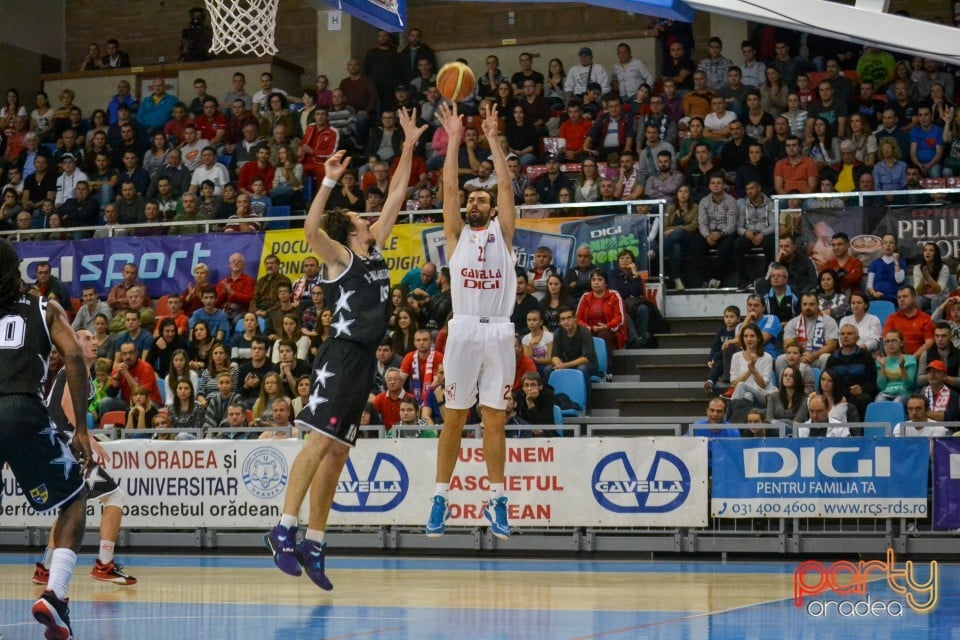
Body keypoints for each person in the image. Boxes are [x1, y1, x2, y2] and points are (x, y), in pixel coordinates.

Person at [265, 108, 426, 590]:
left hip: (365, 362)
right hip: (340, 356)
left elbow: (398, 192)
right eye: (359, 214)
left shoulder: (375, 246)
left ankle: (314, 541)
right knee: (318, 442)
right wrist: (329, 183)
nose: (368, 214)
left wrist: (409, 145)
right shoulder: (339, 255)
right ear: (349, 229)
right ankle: (283, 528)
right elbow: (311, 230)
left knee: (337, 454)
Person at [426, 102, 517, 541]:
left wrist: (493, 138)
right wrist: (455, 141)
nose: (478, 200)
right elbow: (447, 187)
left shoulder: (504, 233)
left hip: (499, 328)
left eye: (484, 198)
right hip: (462, 328)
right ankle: (440, 498)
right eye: (473, 198)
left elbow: (506, 185)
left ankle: (497, 501)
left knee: (494, 419)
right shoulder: (455, 236)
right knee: (454, 418)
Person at [0, 240, 93, 638]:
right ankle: (55, 594)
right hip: (21, 410)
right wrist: (83, 429)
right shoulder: (43, 306)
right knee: (75, 499)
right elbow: (74, 357)